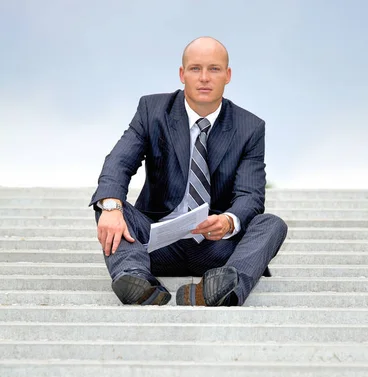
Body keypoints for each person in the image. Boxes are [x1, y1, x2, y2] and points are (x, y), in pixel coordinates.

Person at [89, 36, 288, 306]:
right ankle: (136, 280)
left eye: (214, 69)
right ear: (182, 74)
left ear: (227, 75)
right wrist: (111, 207)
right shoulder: (152, 110)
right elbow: (119, 162)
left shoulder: (250, 127)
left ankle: (222, 287)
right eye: (195, 68)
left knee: (272, 224)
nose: (204, 77)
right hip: (154, 243)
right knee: (109, 203)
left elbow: (250, 196)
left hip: (215, 247)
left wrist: (229, 221)